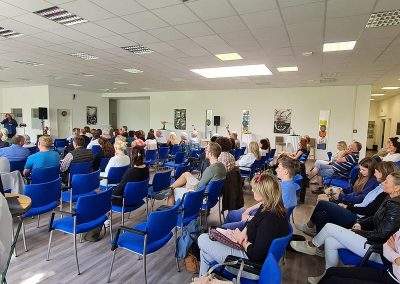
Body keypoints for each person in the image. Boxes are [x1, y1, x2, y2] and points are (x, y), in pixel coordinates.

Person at [291, 171, 400, 284]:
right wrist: (360, 223)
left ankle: (313, 245)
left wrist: (359, 232)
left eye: (387, 182)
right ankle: (327, 275)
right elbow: (373, 218)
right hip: (373, 239)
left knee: (329, 227)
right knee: (330, 240)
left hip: (376, 248)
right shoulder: (389, 198)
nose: (383, 183)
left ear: (397, 188)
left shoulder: (396, 207)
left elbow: (381, 234)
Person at [197, 172, 290, 276]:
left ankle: (203, 279)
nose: (252, 190)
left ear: (264, 193)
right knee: (205, 253)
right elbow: (254, 221)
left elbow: (256, 255)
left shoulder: (270, 220)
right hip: (248, 251)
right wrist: (244, 233)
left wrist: (242, 242)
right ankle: (202, 279)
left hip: (249, 265)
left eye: (255, 189)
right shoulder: (270, 206)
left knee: (202, 238)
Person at [298, 161, 397, 235]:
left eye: (376, 172)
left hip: (357, 216)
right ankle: (319, 243)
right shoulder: (379, 186)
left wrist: (346, 204)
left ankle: (309, 226)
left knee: (322, 203)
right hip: (355, 209)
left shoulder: (381, 190)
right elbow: (357, 194)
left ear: (383, 173)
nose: (375, 174)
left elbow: (367, 208)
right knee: (321, 214)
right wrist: (343, 196)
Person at [222, 156, 299, 230]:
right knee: (232, 214)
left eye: (279, 167)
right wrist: (249, 210)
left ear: (285, 171)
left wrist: (249, 217)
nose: (276, 170)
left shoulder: (283, 190)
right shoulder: (291, 185)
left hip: (259, 225)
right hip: (261, 218)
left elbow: (271, 218)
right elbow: (267, 203)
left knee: (223, 227)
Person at [319, 229, 400, 284]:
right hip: (389, 273)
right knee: (331, 271)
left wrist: (394, 253)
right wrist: (396, 258)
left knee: (333, 281)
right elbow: (386, 247)